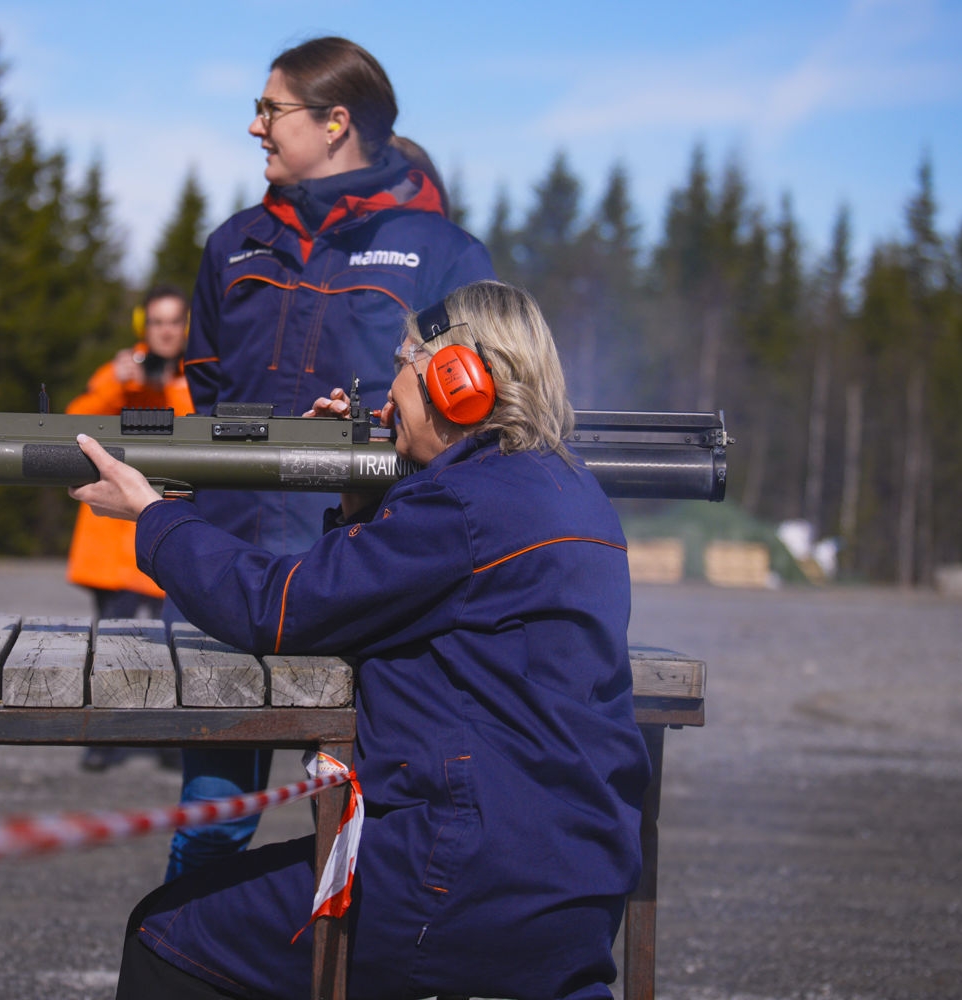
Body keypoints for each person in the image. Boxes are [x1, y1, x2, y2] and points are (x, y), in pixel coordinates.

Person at [72, 281, 650, 1000]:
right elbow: (394, 603)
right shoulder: (571, 493)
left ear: (455, 380)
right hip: (577, 889)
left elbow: (276, 608)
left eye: (404, 362)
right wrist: (359, 501)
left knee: (169, 931)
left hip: (458, 881)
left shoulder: (458, 507)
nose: (387, 391)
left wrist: (153, 517)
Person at [168, 35, 497, 880]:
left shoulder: (443, 254)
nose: (255, 127)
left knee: (364, 832)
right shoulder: (232, 245)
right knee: (208, 831)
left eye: (271, 109)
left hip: (372, 592)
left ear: (336, 121)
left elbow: (473, 430)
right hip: (229, 582)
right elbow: (201, 402)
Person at [65, 285, 193, 771]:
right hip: (113, 539)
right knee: (113, 646)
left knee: (176, 645)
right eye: (157, 322)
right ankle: (105, 737)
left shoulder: (195, 381)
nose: (165, 331)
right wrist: (117, 384)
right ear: (145, 326)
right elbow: (73, 426)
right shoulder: (119, 375)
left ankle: (168, 738)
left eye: (174, 321)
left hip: (168, 534)